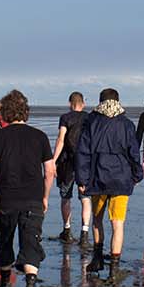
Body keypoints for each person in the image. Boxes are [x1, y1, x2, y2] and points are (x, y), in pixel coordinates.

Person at [0, 89, 55, 287]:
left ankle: (5, 286)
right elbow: (50, 171)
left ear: (5, 113)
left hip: (6, 198)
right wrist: (45, 196)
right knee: (31, 242)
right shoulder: (40, 136)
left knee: (5, 241)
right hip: (33, 197)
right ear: (25, 112)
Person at [73, 88, 142, 273]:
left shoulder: (92, 122)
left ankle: (97, 258)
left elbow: (83, 152)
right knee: (117, 223)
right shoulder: (126, 124)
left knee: (97, 220)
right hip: (121, 178)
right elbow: (133, 152)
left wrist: (81, 179)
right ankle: (115, 266)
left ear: (100, 101)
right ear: (118, 101)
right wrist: (137, 174)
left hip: (97, 178)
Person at [53, 91, 89, 243]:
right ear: (83, 104)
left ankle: (67, 229)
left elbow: (61, 139)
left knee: (66, 196)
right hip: (85, 161)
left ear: (70, 104)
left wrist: (53, 160)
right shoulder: (90, 118)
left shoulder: (65, 118)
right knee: (85, 198)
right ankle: (85, 233)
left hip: (67, 161)